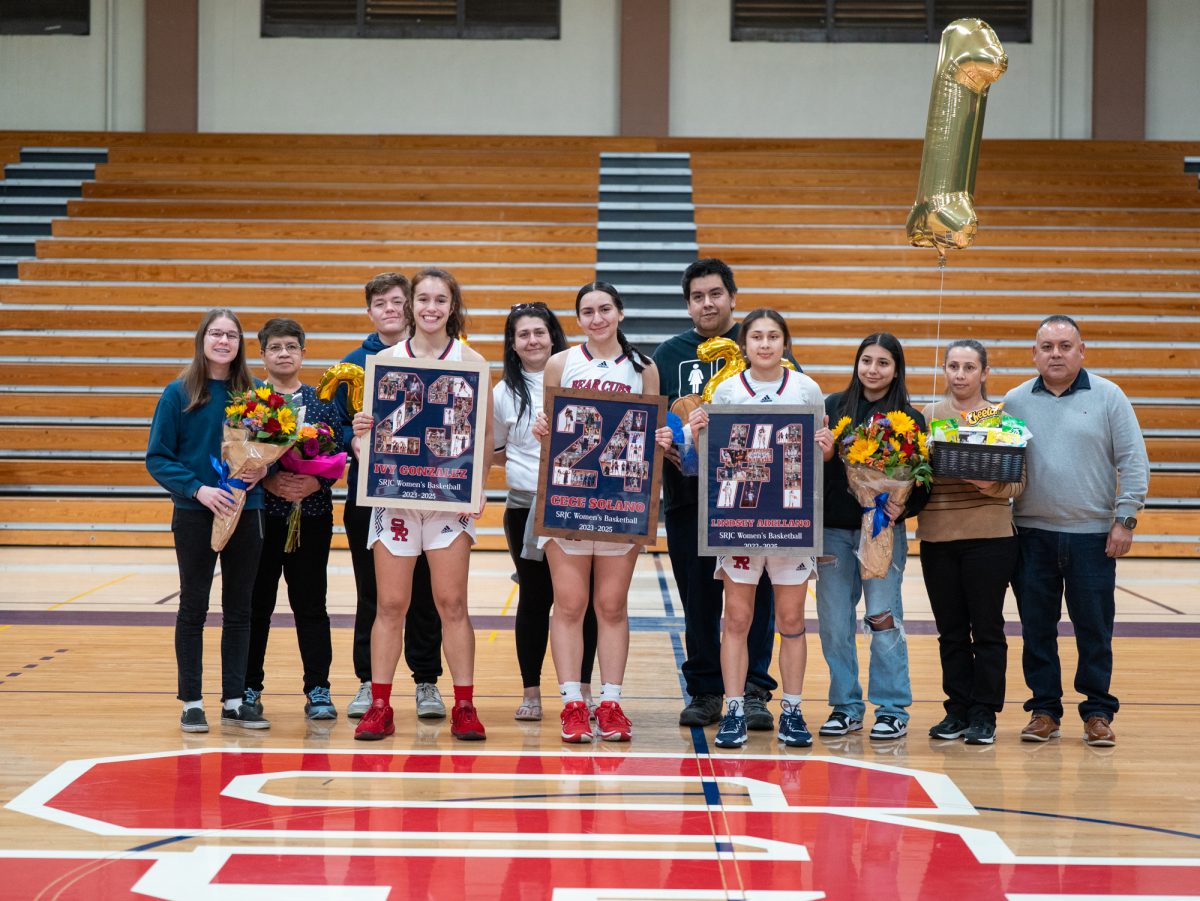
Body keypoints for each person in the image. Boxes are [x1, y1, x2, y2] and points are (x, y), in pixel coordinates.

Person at [351, 268, 494, 742]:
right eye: (423, 299)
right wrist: (362, 439)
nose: (431, 307)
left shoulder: (472, 360)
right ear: (410, 306)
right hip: (395, 497)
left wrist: (480, 486)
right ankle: (379, 705)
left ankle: (466, 706)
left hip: (449, 501)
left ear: (453, 307)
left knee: (452, 602)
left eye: (441, 299)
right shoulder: (386, 361)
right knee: (390, 604)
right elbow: (368, 441)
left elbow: (485, 437)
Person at [687, 309, 831, 748]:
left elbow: (817, 457)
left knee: (791, 620)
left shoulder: (806, 388)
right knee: (737, 618)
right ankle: (734, 710)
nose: (765, 344)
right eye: (757, 337)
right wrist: (697, 434)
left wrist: (825, 450)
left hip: (790, 518)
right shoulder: (727, 389)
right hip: (740, 520)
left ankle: (791, 710)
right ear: (744, 344)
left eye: (773, 336)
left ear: (785, 343)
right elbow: (711, 458)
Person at [1003, 315, 1148, 748]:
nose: (1056, 354)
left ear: (1081, 351)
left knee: (1094, 629)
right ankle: (1045, 710)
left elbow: (1134, 463)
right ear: (1034, 354)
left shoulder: (1109, 396)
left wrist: (1125, 520)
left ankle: (1099, 712)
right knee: (1036, 628)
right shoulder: (1013, 401)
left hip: (1092, 536)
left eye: (1065, 346)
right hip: (1030, 535)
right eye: (1047, 347)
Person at [533, 282, 666, 743]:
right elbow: (548, 433)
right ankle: (573, 704)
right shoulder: (559, 363)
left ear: (620, 313)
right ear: (578, 319)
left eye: (605, 309)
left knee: (611, 606)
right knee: (569, 605)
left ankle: (610, 703)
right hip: (567, 497)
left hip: (620, 501)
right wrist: (543, 428)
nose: (597, 318)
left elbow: (652, 433)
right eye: (587, 311)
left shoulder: (643, 368)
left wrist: (661, 440)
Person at [651, 259, 780, 731]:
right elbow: (655, 420)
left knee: (758, 596)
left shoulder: (763, 341)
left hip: (757, 502)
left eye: (715, 294)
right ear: (688, 304)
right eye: (698, 296)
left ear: (732, 297)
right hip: (690, 496)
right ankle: (706, 690)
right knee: (699, 600)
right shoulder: (668, 355)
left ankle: (755, 690)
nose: (707, 303)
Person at [146, 308, 269, 732]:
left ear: (239, 344)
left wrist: (262, 470)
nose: (223, 341)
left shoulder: (256, 395)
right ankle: (191, 702)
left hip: (246, 512)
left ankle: (234, 700)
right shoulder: (178, 393)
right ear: (202, 339)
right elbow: (157, 458)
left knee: (239, 609)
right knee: (193, 607)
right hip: (195, 513)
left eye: (231, 335)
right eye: (215, 333)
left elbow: (267, 449)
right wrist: (198, 489)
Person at [335, 272, 445, 722]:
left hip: (431, 492)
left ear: (411, 305)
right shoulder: (352, 364)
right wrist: (351, 439)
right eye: (380, 303)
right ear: (370, 311)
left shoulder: (439, 356)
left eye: (398, 301)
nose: (390, 310)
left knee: (427, 592)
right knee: (374, 594)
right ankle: (368, 681)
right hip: (371, 493)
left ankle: (426, 682)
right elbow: (333, 426)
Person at [816, 333, 930, 741]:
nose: (873, 369)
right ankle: (845, 706)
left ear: (896, 369)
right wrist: (827, 455)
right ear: (856, 363)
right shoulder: (832, 408)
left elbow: (922, 483)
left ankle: (892, 707)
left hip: (882, 530)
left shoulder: (911, 419)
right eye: (866, 360)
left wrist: (904, 507)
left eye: (883, 362)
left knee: (882, 618)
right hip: (832, 533)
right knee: (833, 622)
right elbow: (817, 469)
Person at [492, 302, 599, 721]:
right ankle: (532, 692)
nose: (532, 340)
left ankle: (584, 689)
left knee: (582, 602)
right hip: (525, 508)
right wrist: (534, 471)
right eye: (523, 335)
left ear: (553, 335)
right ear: (513, 344)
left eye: (539, 332)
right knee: (535, 599)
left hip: (577, 505)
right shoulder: (503, 393)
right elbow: (497, 452)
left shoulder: (580, 378)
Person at [919, 339, 1023, 746]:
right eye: (953, 366)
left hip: (991, 539)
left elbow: (1019, 482)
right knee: (950, 631)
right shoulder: (928, 416)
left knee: (988, 629)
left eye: (968, 367)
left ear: (985, 373)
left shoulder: (1000, 419)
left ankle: (985, 714)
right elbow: (914, 480)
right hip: (937, 537)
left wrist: (988, 482)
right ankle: (957, 709)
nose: (959, 375)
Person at [242, 318, 342, 722]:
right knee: (256, 606)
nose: (284, 353)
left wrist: (312, 486)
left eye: (292, 346)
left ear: (304, 352)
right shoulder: (250, 404)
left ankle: (318, 688)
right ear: (262, 354)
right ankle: (247, 687)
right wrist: (270, 480)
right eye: (276, 347)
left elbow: (338, 461)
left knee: (311, 606)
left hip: (312, 517)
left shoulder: (322, 403)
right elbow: (237, 459)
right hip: (261, 520)